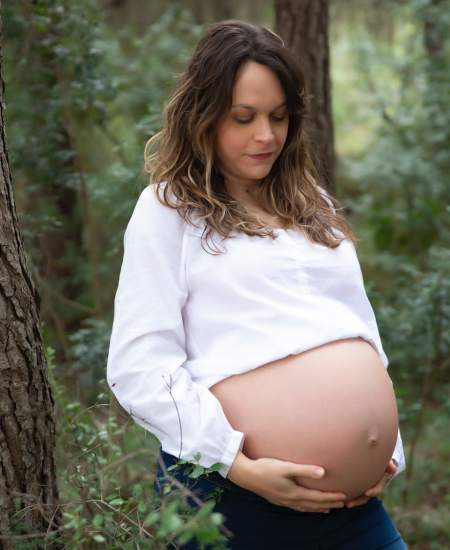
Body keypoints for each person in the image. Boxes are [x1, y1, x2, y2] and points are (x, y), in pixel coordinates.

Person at [107, 20, 407, 549]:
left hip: (354, 511)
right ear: (203, 116)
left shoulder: (312, 202)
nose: (266, 135)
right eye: (243, 118)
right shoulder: (169, 210)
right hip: (233, 505)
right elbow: (139, 366)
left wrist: (385, 452)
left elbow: (358, 329)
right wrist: (236, 466)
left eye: (279, 116)